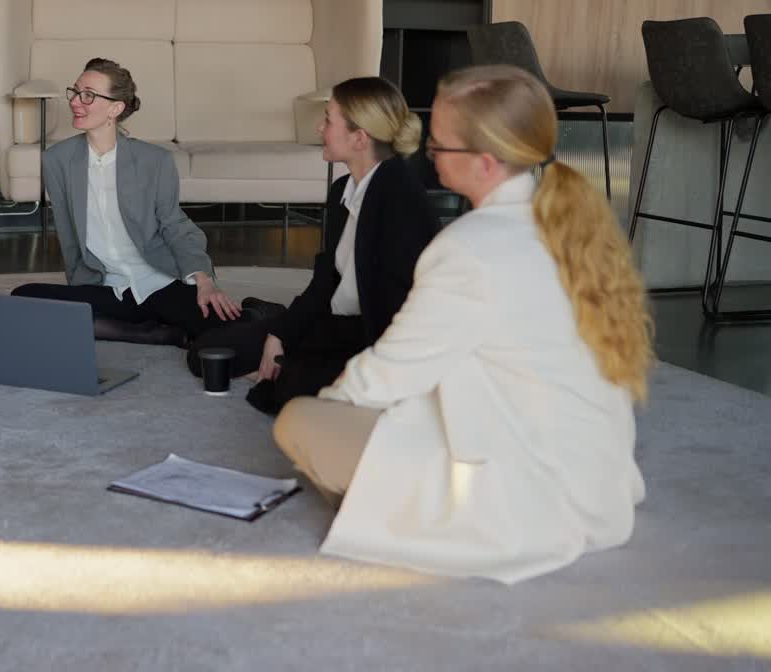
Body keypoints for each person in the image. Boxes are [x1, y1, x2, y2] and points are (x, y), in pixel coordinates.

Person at [273, 65, 653, 583]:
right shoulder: (565, 226)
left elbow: (386, 375)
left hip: (526, 496)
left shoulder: (469, 246)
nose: (428, 154)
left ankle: (392, 508)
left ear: (487, 161)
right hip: (596, 480)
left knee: (299, 420)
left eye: (441, 147)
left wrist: (332, 407)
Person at [188, 77, 439, 414]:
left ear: (359, 138)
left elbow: (399, 309)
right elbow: (324, 281)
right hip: (331, 322)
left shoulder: (401, 199)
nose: (320, 128)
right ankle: (273, 325)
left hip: (371, 336)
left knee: (295, 388)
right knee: (207, 352)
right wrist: (279, 334)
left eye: (329, 121)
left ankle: (287, 373)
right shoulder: (341, 193)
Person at [11, 57, 242, 343]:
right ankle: (156, 334)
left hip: (159, 279)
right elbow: (68, 233)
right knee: (22, 299)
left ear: (115, 108)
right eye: (75, 92)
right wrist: (80, 291)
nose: (74, 102)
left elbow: (174, 224)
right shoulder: (57, 160)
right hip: (107, 286)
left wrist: (204, 282)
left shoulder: (154, 161)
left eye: (89, 95)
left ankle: (159, 326)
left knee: (224, 330)